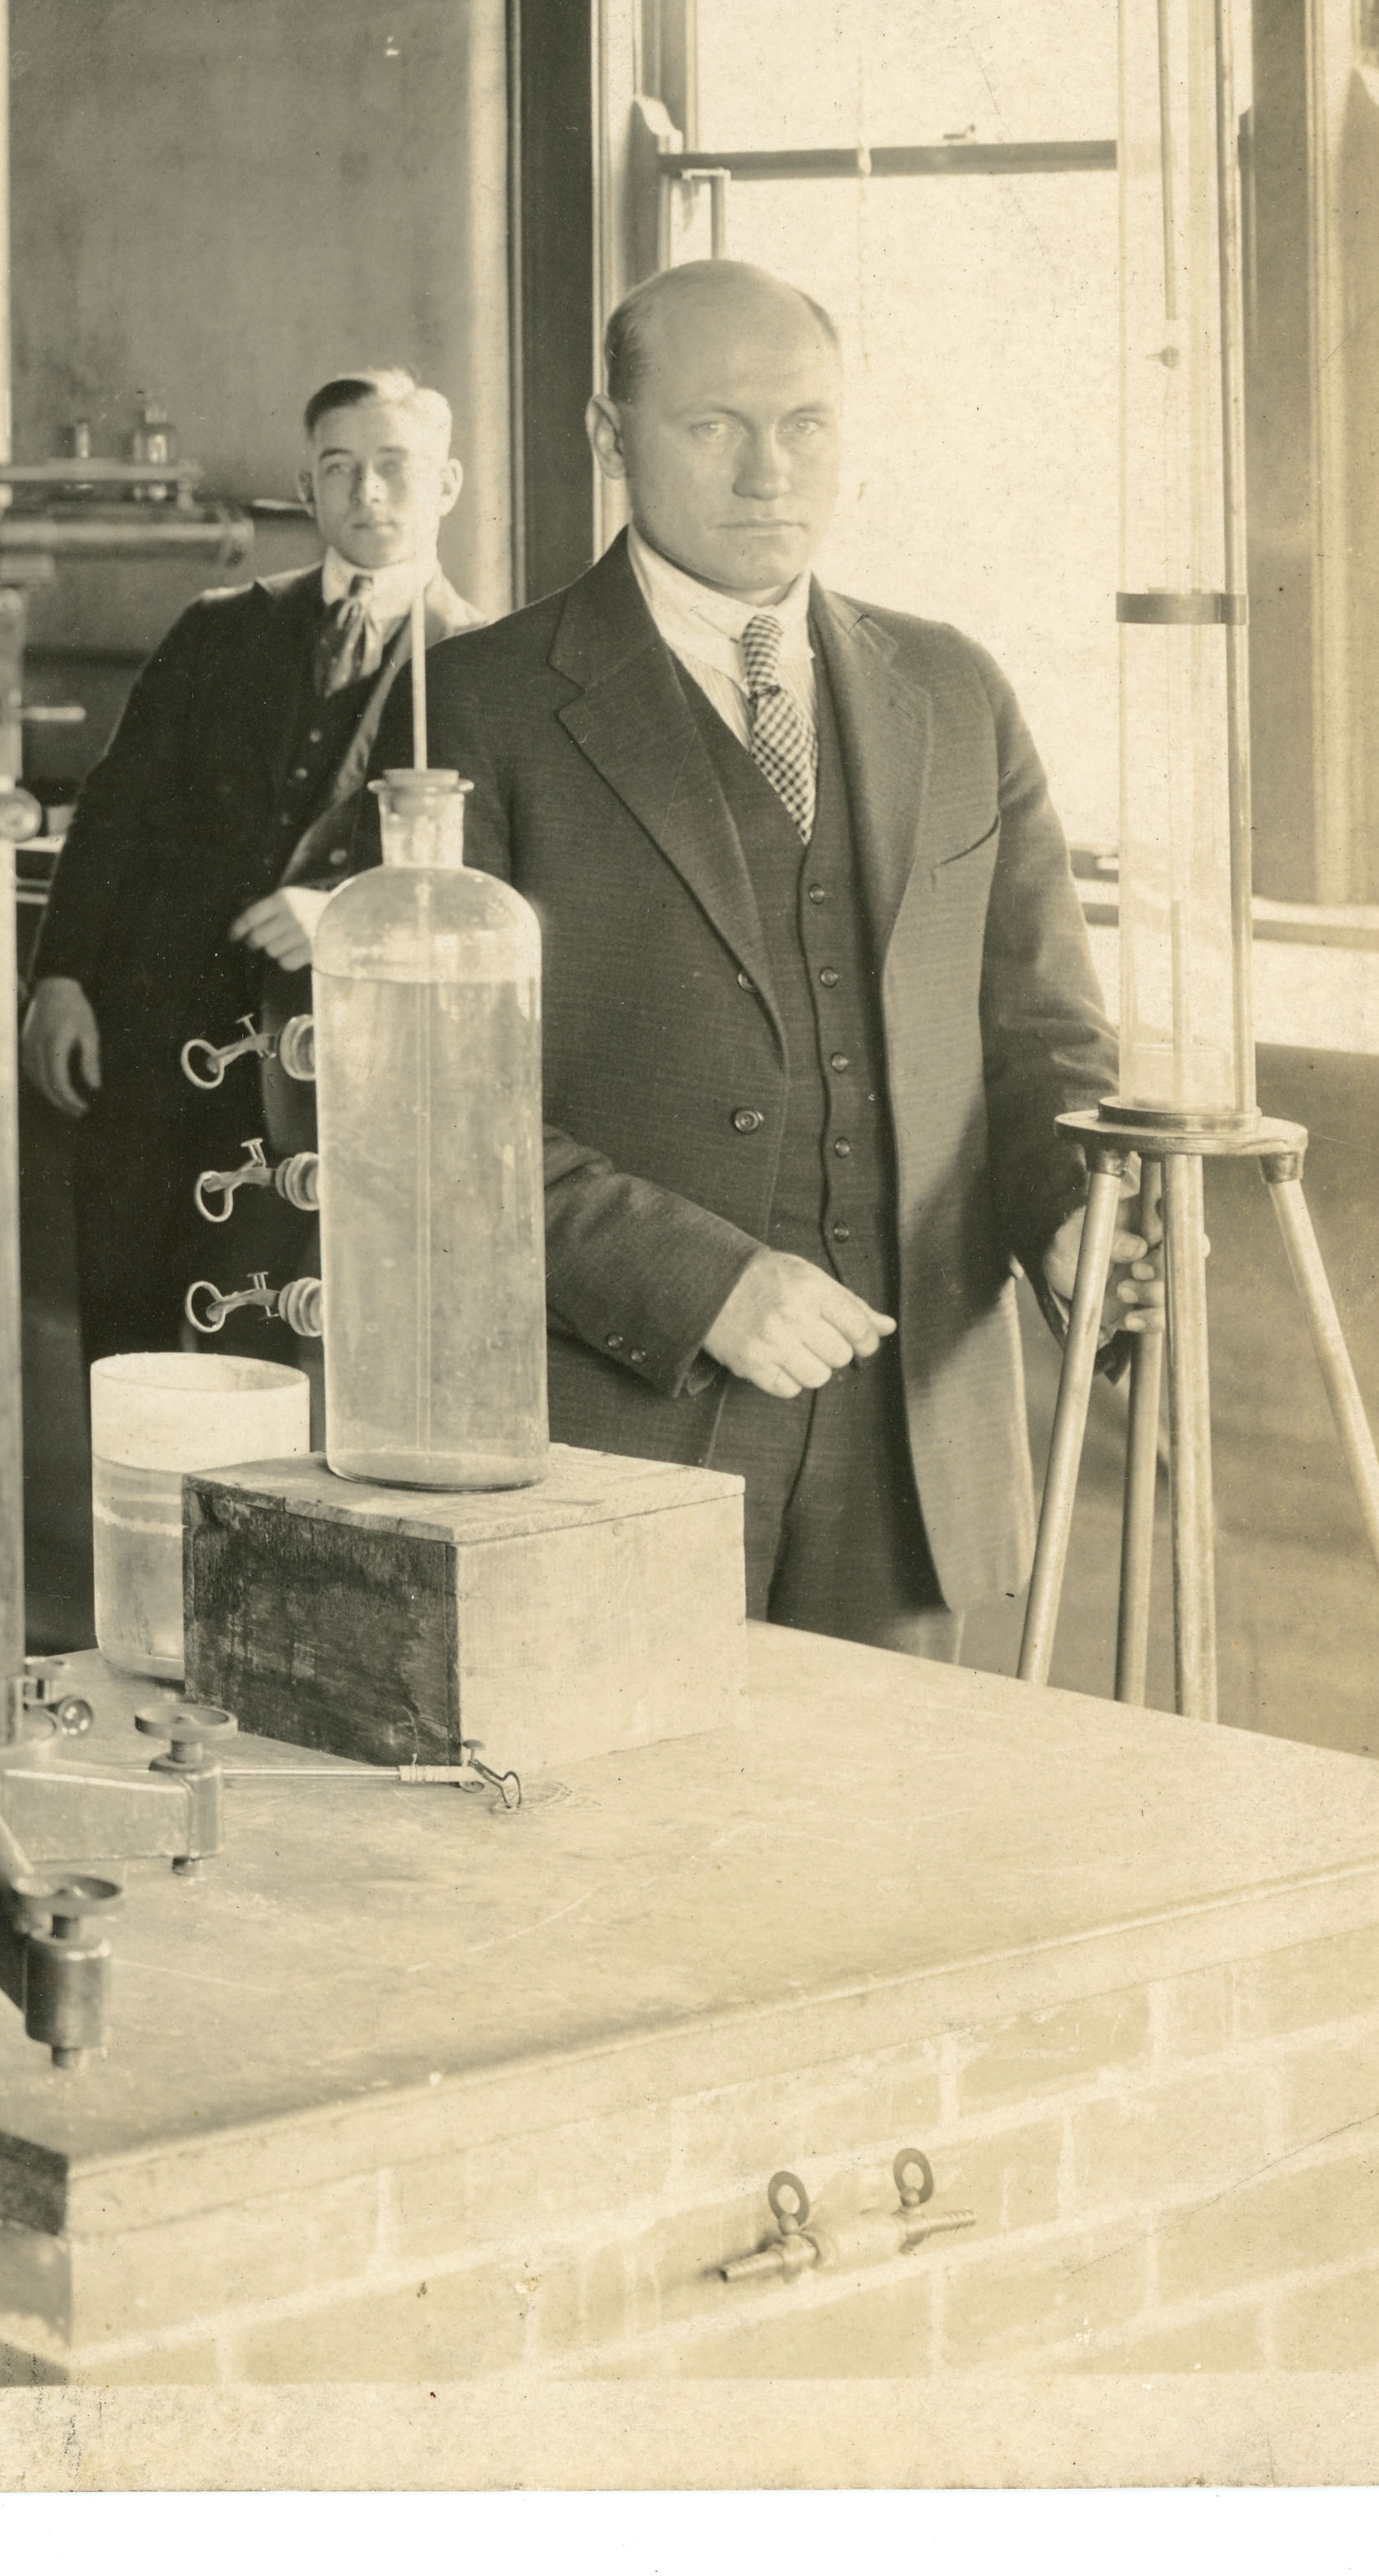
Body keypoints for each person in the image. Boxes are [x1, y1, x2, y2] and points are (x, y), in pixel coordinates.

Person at [424, 260, 1153, 1659]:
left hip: (908, 1447)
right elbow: (425, 1112)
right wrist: (696, 1281)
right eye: (713, 426)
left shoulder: (952, 687)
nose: (768, 472)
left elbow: (1042, 1036)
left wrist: (1069, 1207)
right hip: (607, 1432)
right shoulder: (475, 704)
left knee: (877, 1805)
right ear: (609, 435)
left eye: (804, 424)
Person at [23, 370, 485, 1372]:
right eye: (340, 468)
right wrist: (57, 977)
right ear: (308, 488)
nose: (367, 491)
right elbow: (113, 812)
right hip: (150, 1047)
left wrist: (347, 912)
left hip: (319, 1077)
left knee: (267, 1344)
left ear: (446, 484)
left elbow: (488, 879)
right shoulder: (217, 627)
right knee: (125, 1335)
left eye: (393, 466)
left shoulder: (485, 660)